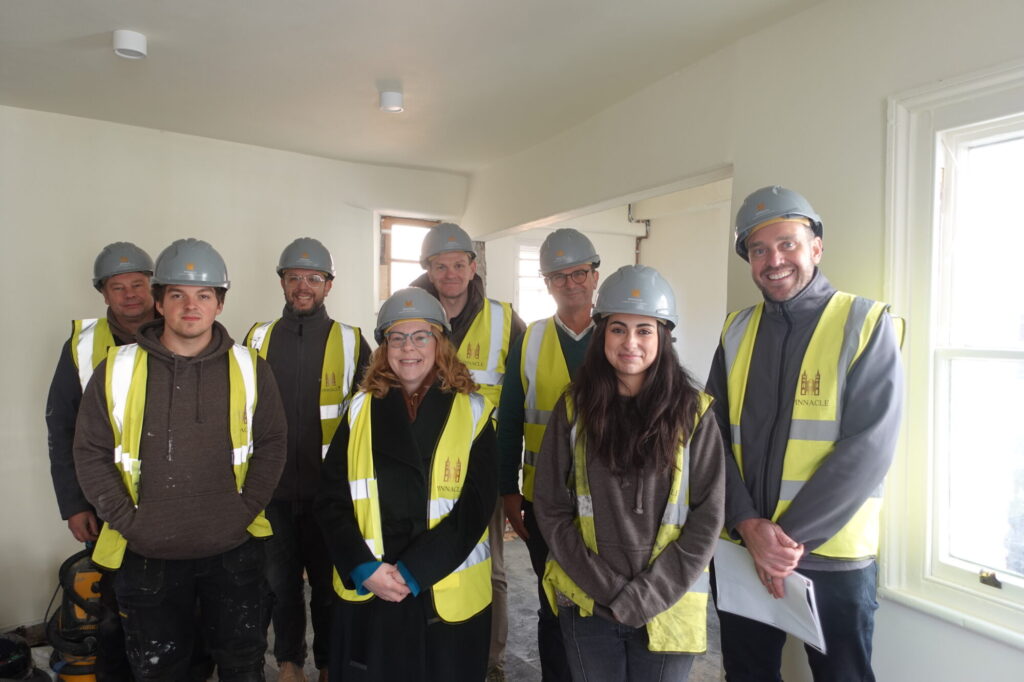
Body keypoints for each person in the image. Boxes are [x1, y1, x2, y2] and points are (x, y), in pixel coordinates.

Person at [706, 185, 903, 681]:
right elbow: (708, 437)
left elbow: (869, 446)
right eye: (758, 250)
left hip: (831, 558)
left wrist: (785, 541)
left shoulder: (865, 324)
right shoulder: (735, 330)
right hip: (742, 548)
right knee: (747, 674)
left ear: (816, 246)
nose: (774, 260)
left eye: (787, 243)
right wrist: (749, 526)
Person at [73, 238, 287, 681]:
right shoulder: (117, 368)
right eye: (178, 295)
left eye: (204, 295)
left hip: (233, 551)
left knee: (242, 664)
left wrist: (242, 512)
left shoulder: (251, 367)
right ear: (160, 302)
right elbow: (90, 451)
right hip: (147, 555)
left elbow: (271, 444)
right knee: (159, 670)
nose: (191, 307)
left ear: (220, 304)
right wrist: (130, 522)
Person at [534, 264, 725, 682]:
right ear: (602, 334)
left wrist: (646, 595)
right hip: (589, 603)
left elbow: (707, 517)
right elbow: (549, 507)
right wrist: (610, 590)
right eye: (618, 329)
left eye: (644, 331)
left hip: (666, 602)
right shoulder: (573, 410)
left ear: (663, 337)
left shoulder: (695, 413)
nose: (630, 343)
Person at [314, 287, 497, 682]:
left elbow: (475, 510)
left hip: (441, 590)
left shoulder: (475, 411)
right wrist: (362, 566)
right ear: (383, 348)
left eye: (420, 336)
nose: (407, 347)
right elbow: (330, 500)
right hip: (373, 586)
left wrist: (414, 571)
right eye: (396, 337)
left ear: (440, 343)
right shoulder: (360, 410)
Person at [246, 237, 370, 682]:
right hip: (271, 491)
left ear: (328, 285)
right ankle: (289, 663)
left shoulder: (353, 342)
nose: (303, 286)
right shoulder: (256, 338)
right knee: (280, 587)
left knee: (330, 587)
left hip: (329, 494)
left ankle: (330, 665)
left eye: (313, 278)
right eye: (294, 277)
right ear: (282, 282)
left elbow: (369, 421)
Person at [410, 222, 524, 679]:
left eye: (459, 264)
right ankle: (426, 647)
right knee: (419, 555)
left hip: (482, 464)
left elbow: (516, 396)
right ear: (429, 269)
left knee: (488, 565)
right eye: (441, 265)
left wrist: (507, 473)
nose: (451, 273)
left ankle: (488, 661)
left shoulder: (504, 319)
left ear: (473, 268)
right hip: (422, 464)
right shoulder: (411, 313)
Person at [45, 241, 156, 682]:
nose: (130, 294)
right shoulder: (82, 346)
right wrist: (73, 504)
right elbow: (61, 428)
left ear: (152, 286)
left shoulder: (183, 330)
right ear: (103, 293)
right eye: (118, 287)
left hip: (173, 499)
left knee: (184, 605)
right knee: (114, 608)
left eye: (138, 284)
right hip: (104, 503)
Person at [497, 227, 600, 681]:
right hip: (546, 502)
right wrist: (507, 492)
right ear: (547, 283)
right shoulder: (532, 339)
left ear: (596, 276)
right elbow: (511, 421)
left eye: (580, 272)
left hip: (611, 504)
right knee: (552, 602)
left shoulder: (621, 332)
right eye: (560, 276)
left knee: (602, 603)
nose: (571, 283)